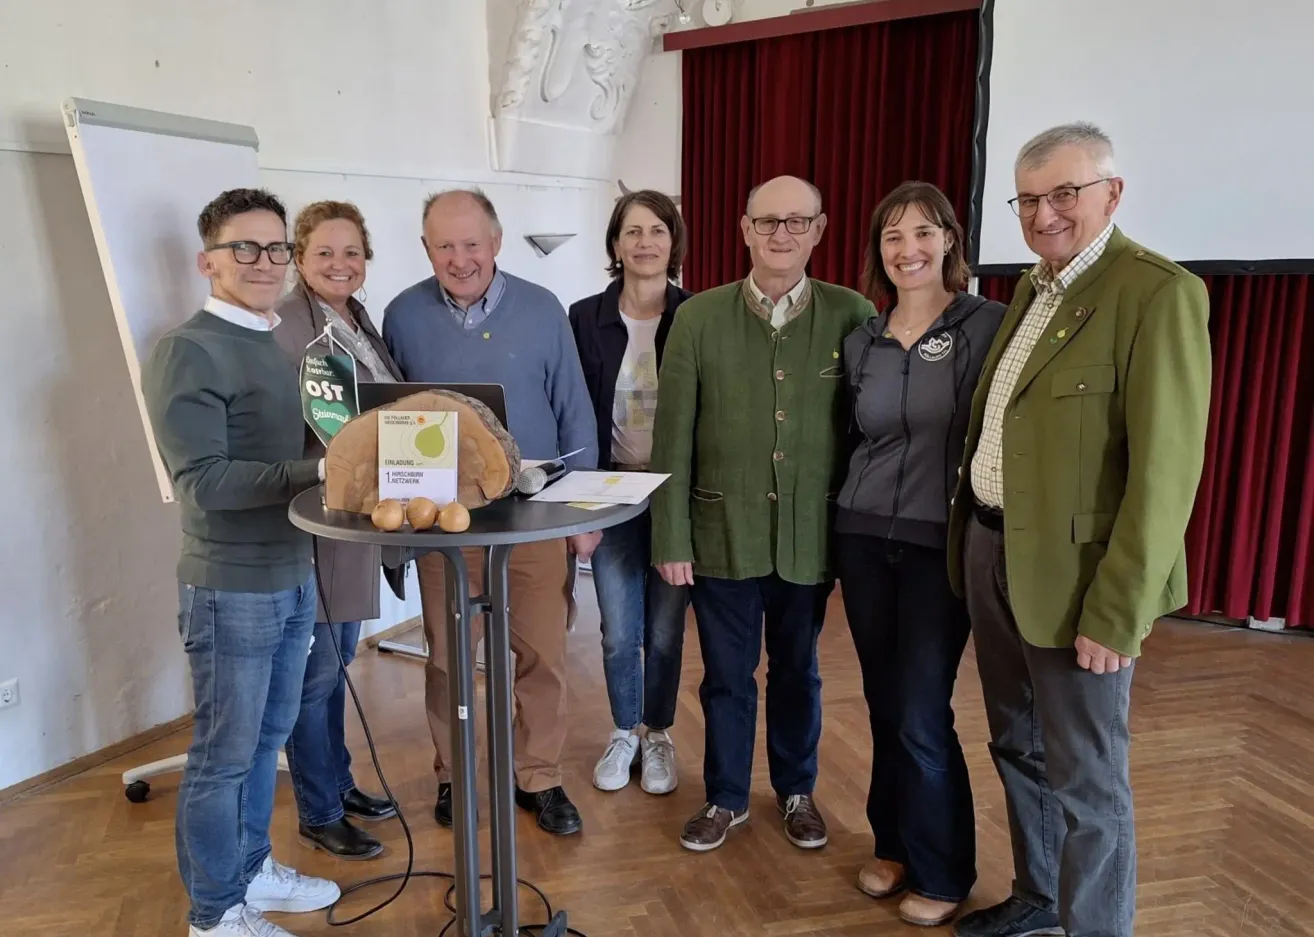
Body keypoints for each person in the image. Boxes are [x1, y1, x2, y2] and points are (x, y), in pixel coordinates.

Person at [946, 123, 1211, 937]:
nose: (1044, 213)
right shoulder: (1034, 287)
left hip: (1080, 583)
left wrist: (1117, 611)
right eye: (1027, 199)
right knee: (1018, 746)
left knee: (1090, 780)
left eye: (1065, 194)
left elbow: (1165, 477)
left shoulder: (1156, 292)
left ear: (1112, 193)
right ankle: (1040, 898)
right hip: (995, 555)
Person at [649, 174, 873, 853]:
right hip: (721, 535)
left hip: (811, 537)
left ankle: (796, 788)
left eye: (796, 222)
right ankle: (725, 796)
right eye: (768, 222)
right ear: (744, 229)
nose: (782, 234)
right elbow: (673, 435)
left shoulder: (853, 314)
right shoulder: (697, 317)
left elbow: (865, 434)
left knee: (799, 670)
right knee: (724, 674)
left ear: (819, 229)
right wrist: (671, 534)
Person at [142, 188, 340, 937]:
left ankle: (253, 869)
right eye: (245, 249)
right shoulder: (188, 349)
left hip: (291, 572)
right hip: (230, 587)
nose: (265, 262)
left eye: (277, 248)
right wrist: (317, 473)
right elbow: (204, 482)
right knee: (222, 757)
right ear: (209, 260)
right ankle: (214, 914)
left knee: (266, 738)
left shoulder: (273, 338)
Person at [383, 188, 599, 836]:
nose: (460, 258)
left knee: (542, 653)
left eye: (471, 243)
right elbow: (388, 419)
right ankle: (454, 774)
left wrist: (582, 511)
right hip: (442, 524)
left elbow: (573, 409)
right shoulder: (402, 314)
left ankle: (540, 774)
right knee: (448, 658)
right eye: (444, 245)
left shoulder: (541, 309)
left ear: (496, 243)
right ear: (426, 249)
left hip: (531, 519)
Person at [835, 181, 1005, 927]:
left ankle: (945, 868)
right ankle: (894, 843)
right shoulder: (861, 339)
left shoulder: (988, 325)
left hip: (943, 543)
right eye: (892, 236)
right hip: (864, 537)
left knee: (920, 706)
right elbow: (852, 437)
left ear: (950, 241)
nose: (908, 249)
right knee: (882, 700)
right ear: (878, 250)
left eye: (923, 233)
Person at [273, 200, 403, 861]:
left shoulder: (355, 318)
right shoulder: (289, 328)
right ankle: (320, 809)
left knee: (338, 663)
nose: (340, 263)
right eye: (325, 252)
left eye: (351, 251)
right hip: (322, 524)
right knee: (318, 674)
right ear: (299, 258)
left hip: (361, 520)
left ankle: (341, 780)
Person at [567, 189, 692, 796]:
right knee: (620, 629)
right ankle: (623, 730)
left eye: (657, 231)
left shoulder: (697, 315)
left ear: (674, 241)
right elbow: (572, 411)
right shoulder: (583, 317)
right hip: (611, 488)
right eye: (632, 232)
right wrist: (577, 508)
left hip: (676, 493)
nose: (645, 242)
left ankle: (659, 732)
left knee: (667, 629)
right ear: (616, 244)